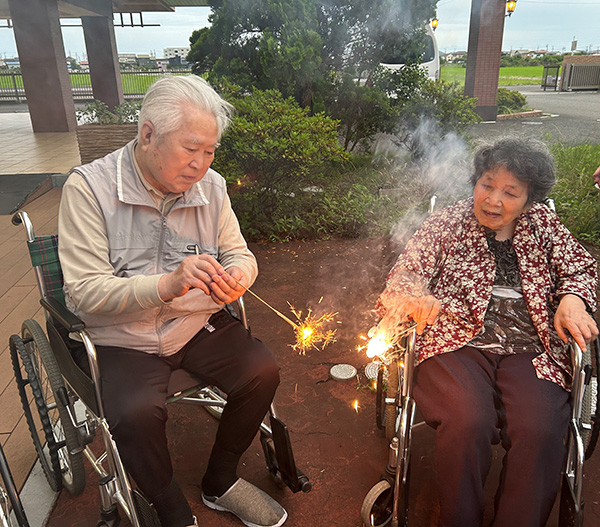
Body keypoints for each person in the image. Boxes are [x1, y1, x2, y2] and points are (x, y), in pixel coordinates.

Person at [58, 76, 287, 527]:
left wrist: (238, 277)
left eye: (211, 151)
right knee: (135, 411)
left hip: (193, 325)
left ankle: (220, 481)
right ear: (147, 135)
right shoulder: (88, 189)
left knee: (262, 371)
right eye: (191, 149)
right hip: (122, 337)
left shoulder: (212, 188)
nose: (201, 165)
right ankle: (167, 504)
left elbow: (239, 252)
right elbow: (83, 292)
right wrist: (166, 284)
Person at [377, 137, 598, 527]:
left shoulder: (544, 225)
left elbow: (580, 268)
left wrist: (572, 298)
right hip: (454, 337)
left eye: (510, 192)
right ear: (475, 182)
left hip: (533, 345)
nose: (493, 200)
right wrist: (416, 297)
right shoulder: (446, 222)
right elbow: (405, 275)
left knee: (540, 428)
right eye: (486, 184)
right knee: (467, 420)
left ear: (530, 201)